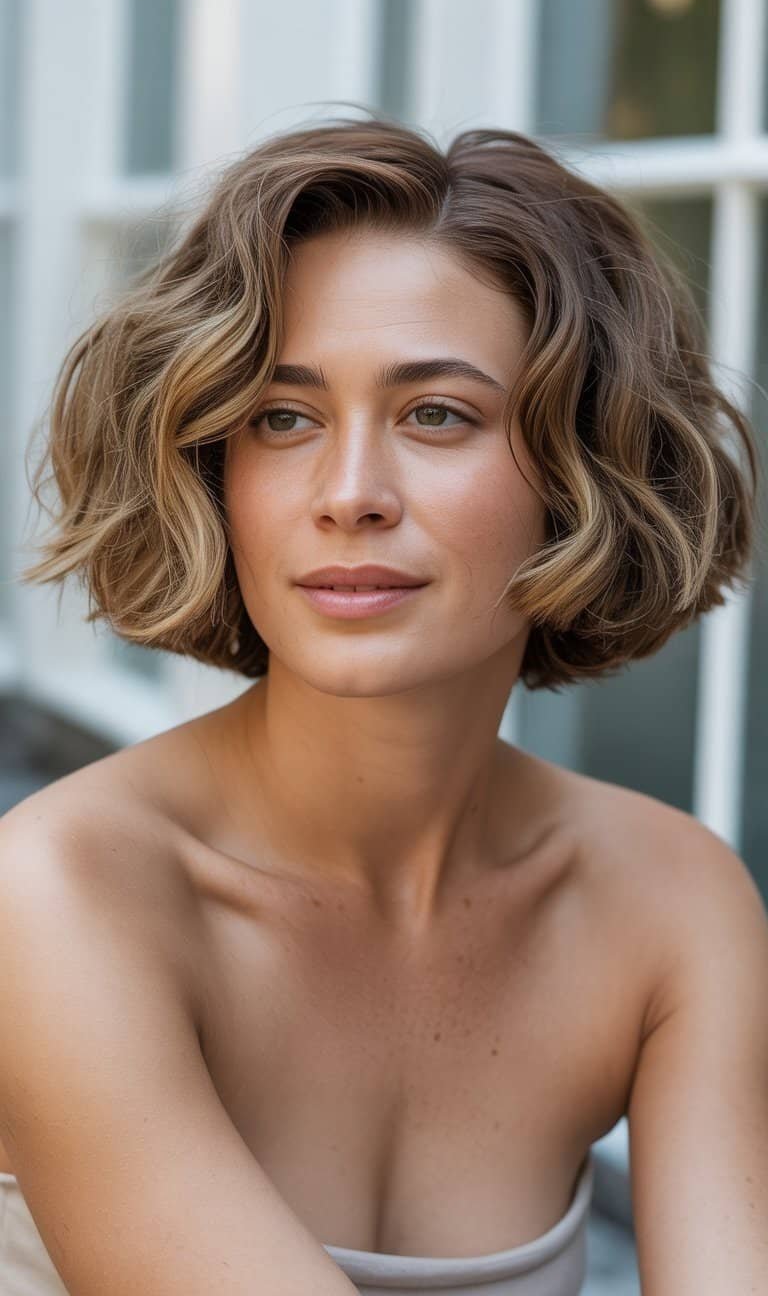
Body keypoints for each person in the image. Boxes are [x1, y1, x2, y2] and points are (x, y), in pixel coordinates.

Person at [0, 112, 766, 1296]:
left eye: (436, 415)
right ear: (213, 471)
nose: (349, 494)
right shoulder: (58, 893)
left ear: (585, 472)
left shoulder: (673, 905)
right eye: (284, 418)